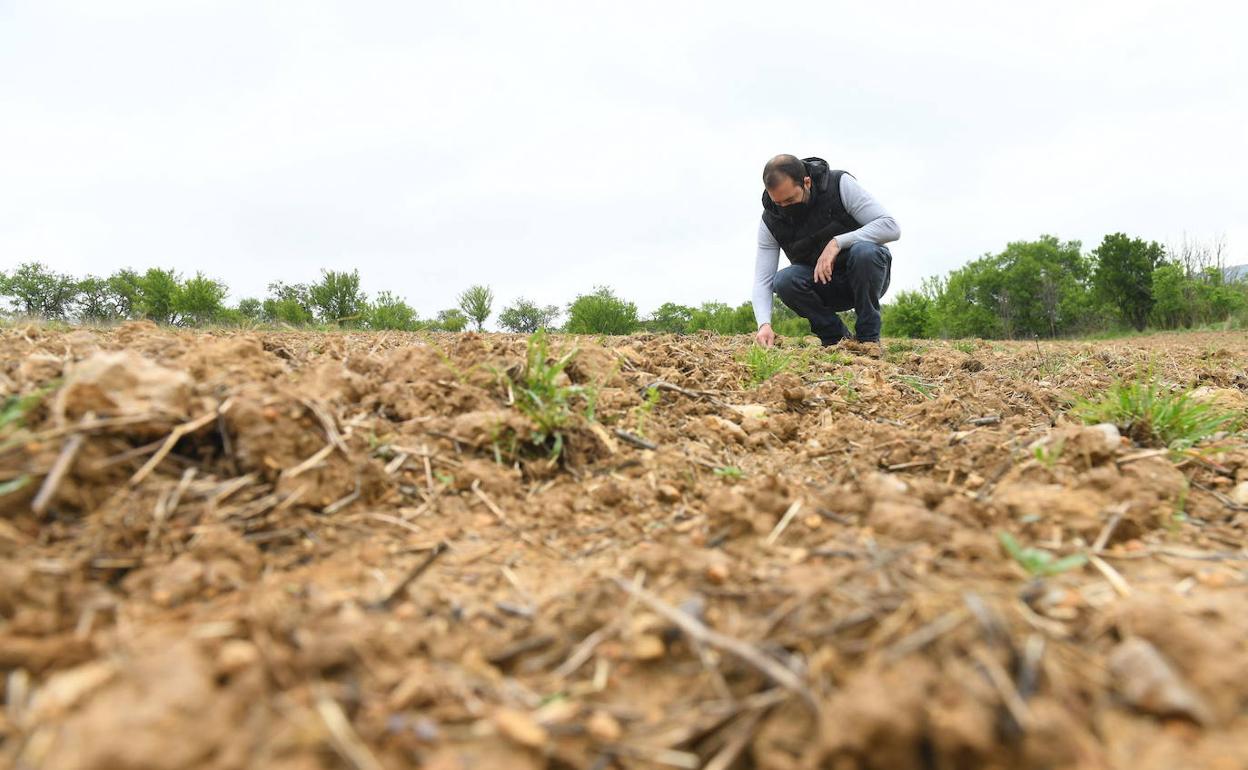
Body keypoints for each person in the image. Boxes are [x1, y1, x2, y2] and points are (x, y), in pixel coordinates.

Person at [752, 154, 900, 348]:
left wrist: (837, 243)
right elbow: (763, 280)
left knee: (865, 252)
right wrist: (764, 324)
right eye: (778, 203)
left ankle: (868, 339)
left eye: (789, 200)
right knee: (783, 281)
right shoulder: (771, 220)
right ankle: (836, 339)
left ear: (807, 182)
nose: (784, 208)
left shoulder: (839, 185)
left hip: (865, 277)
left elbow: (890, 226)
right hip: (823, 286)